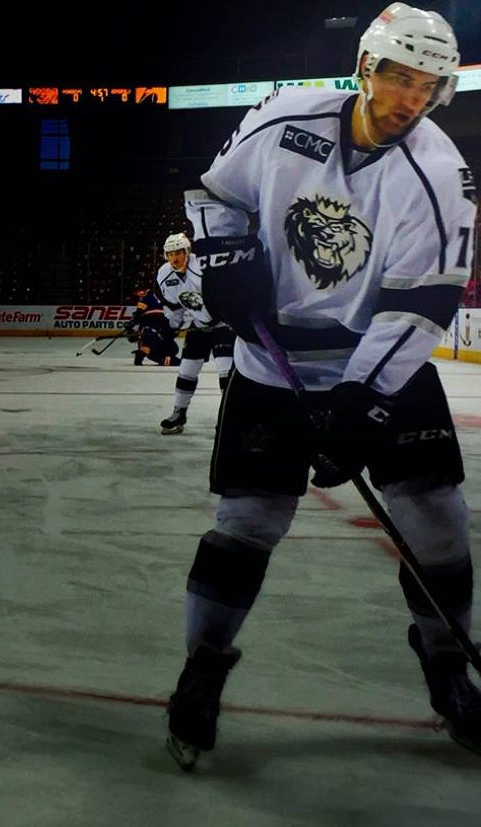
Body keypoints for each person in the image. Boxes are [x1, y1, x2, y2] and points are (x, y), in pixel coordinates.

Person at [166, 3, 478, 770]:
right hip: (271, 363)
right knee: (245, 522)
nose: (410, 98)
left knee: (437, 520)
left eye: (427, 84)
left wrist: (364, 401)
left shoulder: (439, 173)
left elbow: (420, 303)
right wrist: (224, 253)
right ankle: (202, 665)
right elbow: (212, 193)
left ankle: (447, 664)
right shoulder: (283, 117)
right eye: (398, 77)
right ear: (364, 69)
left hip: (380, 361)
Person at [155, 233, 235, 434]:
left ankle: (230, 418)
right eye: (170, 254)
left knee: (226, 373)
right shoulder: (164, 274)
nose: (174, 259)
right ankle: (179, 412)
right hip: (198, 325)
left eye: (178, 253)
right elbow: (175, 306)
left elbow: (226, 295)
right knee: (187, 371)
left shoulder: (203, 267)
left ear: (187, 252)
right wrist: (172, 325)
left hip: (223, 325)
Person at [125, 287, 180, 366]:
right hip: (161, 320)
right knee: (166, 341)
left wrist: (133, 322)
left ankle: (142, 354)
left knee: (150, 338)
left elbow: (139, 312)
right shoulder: (159, 295)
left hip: (151, 321)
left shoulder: (145, 296)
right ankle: (143, 353)